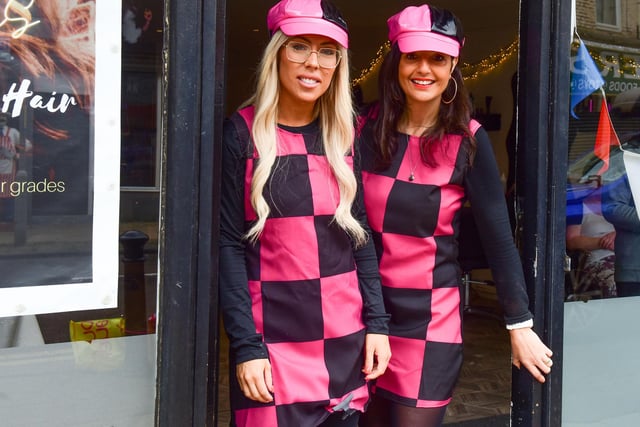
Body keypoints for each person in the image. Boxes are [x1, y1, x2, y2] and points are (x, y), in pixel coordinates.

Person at [356, 5, 553, 426]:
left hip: (431, 321)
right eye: (413, 56)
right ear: (396, 61)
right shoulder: (362, 130)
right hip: (364, 315)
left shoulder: (468, 140)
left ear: (453, 66)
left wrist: (518, 324)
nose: (424, 69)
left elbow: (499, 237)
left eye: (437, 59)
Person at [219, 1, 391, 426]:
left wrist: (378, 324)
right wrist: (246, 346)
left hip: (344, 340)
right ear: (277, 53)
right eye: (299, 47)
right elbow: (226, 245)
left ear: (338, 63)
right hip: (270, 345)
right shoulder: (240, 133)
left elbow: (361, 237)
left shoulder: (346, 136)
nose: (313, 62)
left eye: (327, 51)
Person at [566, 184, 617, 298]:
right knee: (614, 283)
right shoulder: (577, 205)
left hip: (626, 258)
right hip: (597, 259)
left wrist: (617, 234)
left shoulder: (618, 202)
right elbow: (572, 240)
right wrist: (603, 242)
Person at [0, 113, 32, 224]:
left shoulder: (12, 132)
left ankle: (8, 218)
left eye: (2, 117)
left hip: (8, 167)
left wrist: (16, 155)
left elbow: (28, 145)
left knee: (8, 194)